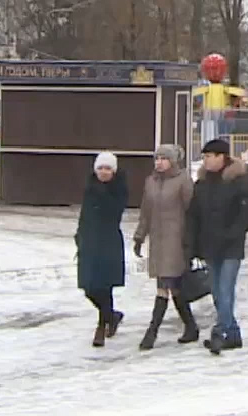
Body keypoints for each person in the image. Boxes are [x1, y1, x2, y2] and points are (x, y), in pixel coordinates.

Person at [186, 137, 248, 355]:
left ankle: (220, 333)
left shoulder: (237, 182)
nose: (205, 161)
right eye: (204, 156)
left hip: (231, 247)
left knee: (225, 290)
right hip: (209, 245)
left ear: (221, 157)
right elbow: (193, 216)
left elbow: (247, 215)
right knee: (216, 292)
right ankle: (233, 333)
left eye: (208, 156)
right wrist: (193, 245)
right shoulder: (202, 184)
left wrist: (231, 234)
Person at [131, 143, 196, 350]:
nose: (159, 162)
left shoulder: (182, 181)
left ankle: (152, 332)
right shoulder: (151, 182)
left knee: (163, 287)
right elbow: (145, 212)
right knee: (173, 287)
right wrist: (140, 236)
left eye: (163, 158)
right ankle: (191, 326)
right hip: (158, 243)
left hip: (176, 242)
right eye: (157, 158)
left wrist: (192, 242)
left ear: (173, 161)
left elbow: (191, 212)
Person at [75, 151, 129, 347]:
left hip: (108, 242)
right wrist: (79, 236)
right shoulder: (90, 187)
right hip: (89, 242)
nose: (104, 172)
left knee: (104, 285)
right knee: (89, 287)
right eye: (100, 168)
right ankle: (111, 316)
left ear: (114, 171)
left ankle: (101, 325)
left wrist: (102, 192)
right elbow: (85, 214)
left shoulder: (118, 188)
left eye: (108, 169)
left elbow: (114, 211)